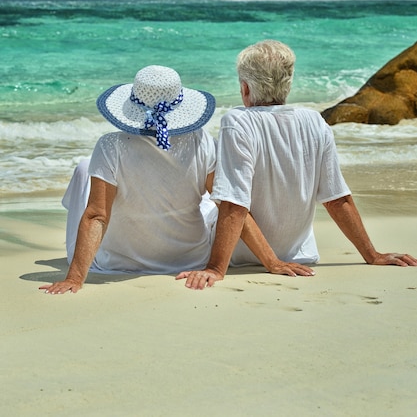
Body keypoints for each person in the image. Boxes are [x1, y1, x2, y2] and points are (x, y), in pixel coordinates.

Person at [177, 40, 417, 290]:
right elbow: (336, 198)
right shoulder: (314, 120)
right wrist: (372, 255)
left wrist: (216, 269)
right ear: (288, 85)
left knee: (206, 199)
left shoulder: (237, 121)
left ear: (245, 88)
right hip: (299, 255)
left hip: (242, 256)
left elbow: (234, 204)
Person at [40, 64, 219, 294]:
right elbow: (226, 204)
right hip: (190, 261)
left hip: (118, 265)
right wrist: (217, 267)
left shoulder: (111, 145)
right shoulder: (201, 141)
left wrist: (74, 278)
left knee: (84, 170)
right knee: (205, 203)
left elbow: (97, 215)